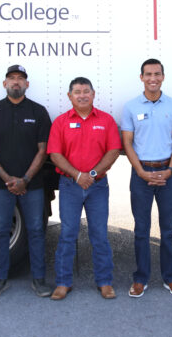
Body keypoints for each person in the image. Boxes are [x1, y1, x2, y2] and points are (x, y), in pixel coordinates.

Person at [0, 65, 52, 298]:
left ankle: (39, 280)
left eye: (20, 79)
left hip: (33, 185)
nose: (16, 82)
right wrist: (8, 179)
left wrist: (26, 179)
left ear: (27, 84)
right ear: (5, 84)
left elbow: (43, 150)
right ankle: (0, 280)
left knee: (36, 231)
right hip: (2, 186)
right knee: (0, 231)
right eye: (12, 79)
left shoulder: (38, 112)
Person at [47, 77, 121, 300]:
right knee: (67, 234)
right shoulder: (60, 122)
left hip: (97, 186)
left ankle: (105, 282)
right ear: (70, 96)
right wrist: (77, 175)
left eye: (86, 91)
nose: (82, 95)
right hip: (70, 185)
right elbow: (55, 154)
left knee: (99, 234)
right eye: (77, 92)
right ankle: (63, 282)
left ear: (93, 94)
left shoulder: (106, 120)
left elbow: (114, 150)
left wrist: (91, 174)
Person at [121, 58, 172, 297]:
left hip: (167, 173)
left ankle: (171, 278)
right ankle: (141, 279)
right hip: (141, 174)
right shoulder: (130, 107)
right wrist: (140, 171)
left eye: (157, 74)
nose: (153, 78)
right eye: (148, 74)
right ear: (141, 77)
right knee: (141, 229)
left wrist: (169, 170)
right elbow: (127, 142)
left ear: (163, 76)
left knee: (168, 230)